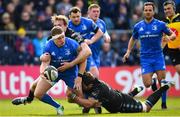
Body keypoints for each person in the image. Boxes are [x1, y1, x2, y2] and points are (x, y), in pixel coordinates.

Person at [12, 26, 90, 115]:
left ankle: (94, 104)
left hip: (71, 73)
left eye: (62, 37)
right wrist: (42, 72)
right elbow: (45, 62)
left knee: (80, 96)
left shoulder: (72, 43)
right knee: (38, 93)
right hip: (54, 72)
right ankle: (58, 106)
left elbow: (84, 58)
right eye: (58, 38)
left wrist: (79, 77)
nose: (62, 40)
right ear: (53, 39)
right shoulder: (48, 45)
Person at [122, 2, 176, 109]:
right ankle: (153, 81)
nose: (147, 12)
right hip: (145, 58)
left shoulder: (161, 24)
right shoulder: (138, 26)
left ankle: (163, 104)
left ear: (153, 11)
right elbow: (133, 38)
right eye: (146, 10)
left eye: (149, 10)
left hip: (158, 56)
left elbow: (173, 34)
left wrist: (169, 38)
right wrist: (128, 51)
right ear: (143, 11)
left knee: (163, 81)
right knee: (147, 84)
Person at [67, 72, 175, 113]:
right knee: (99, 101)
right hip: (116, 97)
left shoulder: (97, 89)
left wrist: (74, 97)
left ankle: (163, 88)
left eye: (82, 85)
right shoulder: (92, 85)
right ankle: (136, 90)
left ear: (89, 85)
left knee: (146, 108)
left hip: (122, 104)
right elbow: (89, 106)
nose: (80, 87)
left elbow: (89, 104)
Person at [68, 7, 103, 72]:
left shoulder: (88, 22)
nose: (76, 19)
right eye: (73, 17)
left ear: (80, 15)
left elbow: (100, 33)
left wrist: (91, 41)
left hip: (85, 53)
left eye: (78, 16)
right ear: (69, 17)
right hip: (72, 54)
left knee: (86, 74)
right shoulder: (67, 25)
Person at [88, 4, 111, 78]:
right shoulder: (85, 22)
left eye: (97, 11)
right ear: (89, 12)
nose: (96, 13)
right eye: (94, 11)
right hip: (87, 53)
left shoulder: (102, 23)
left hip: (96, 54)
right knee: (95, 76)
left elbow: (105, 33)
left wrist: (107, 37)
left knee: (92, 80)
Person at [163, 0, 180, 76]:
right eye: (165, 9)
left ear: (174, 8)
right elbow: (163, 39)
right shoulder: (164, 22)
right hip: (173, 51)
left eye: (169, 8)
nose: (167, 11)